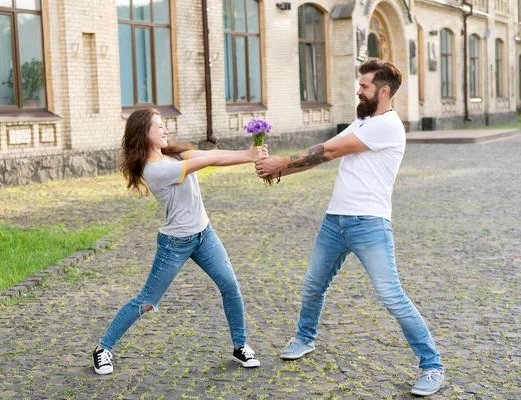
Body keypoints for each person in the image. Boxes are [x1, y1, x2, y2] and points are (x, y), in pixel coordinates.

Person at [254, 60, 445, 396]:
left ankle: (432, 366)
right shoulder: (363, 120)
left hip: (369, 224)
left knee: (391, 296)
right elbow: (321, 156)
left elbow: (328, 150)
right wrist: (278, 171)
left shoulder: (386, 126)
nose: (358, 90)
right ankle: (304, 338)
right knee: (314, 283)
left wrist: (279, 163)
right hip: (335, 220)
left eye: (365, 86)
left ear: (383, 91)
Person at [93, 107, 267, 375]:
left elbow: (211, 155)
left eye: (164, 125)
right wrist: (248, 155)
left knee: (230, 286)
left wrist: (249, 154)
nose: (165, 130)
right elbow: (205, 162)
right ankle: (103, 349)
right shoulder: (155, 170)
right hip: (175, 243)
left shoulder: (172, 154)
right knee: (146, 302)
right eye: (158, 126)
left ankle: (240, 346)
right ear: (143, 133)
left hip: (204, 234)